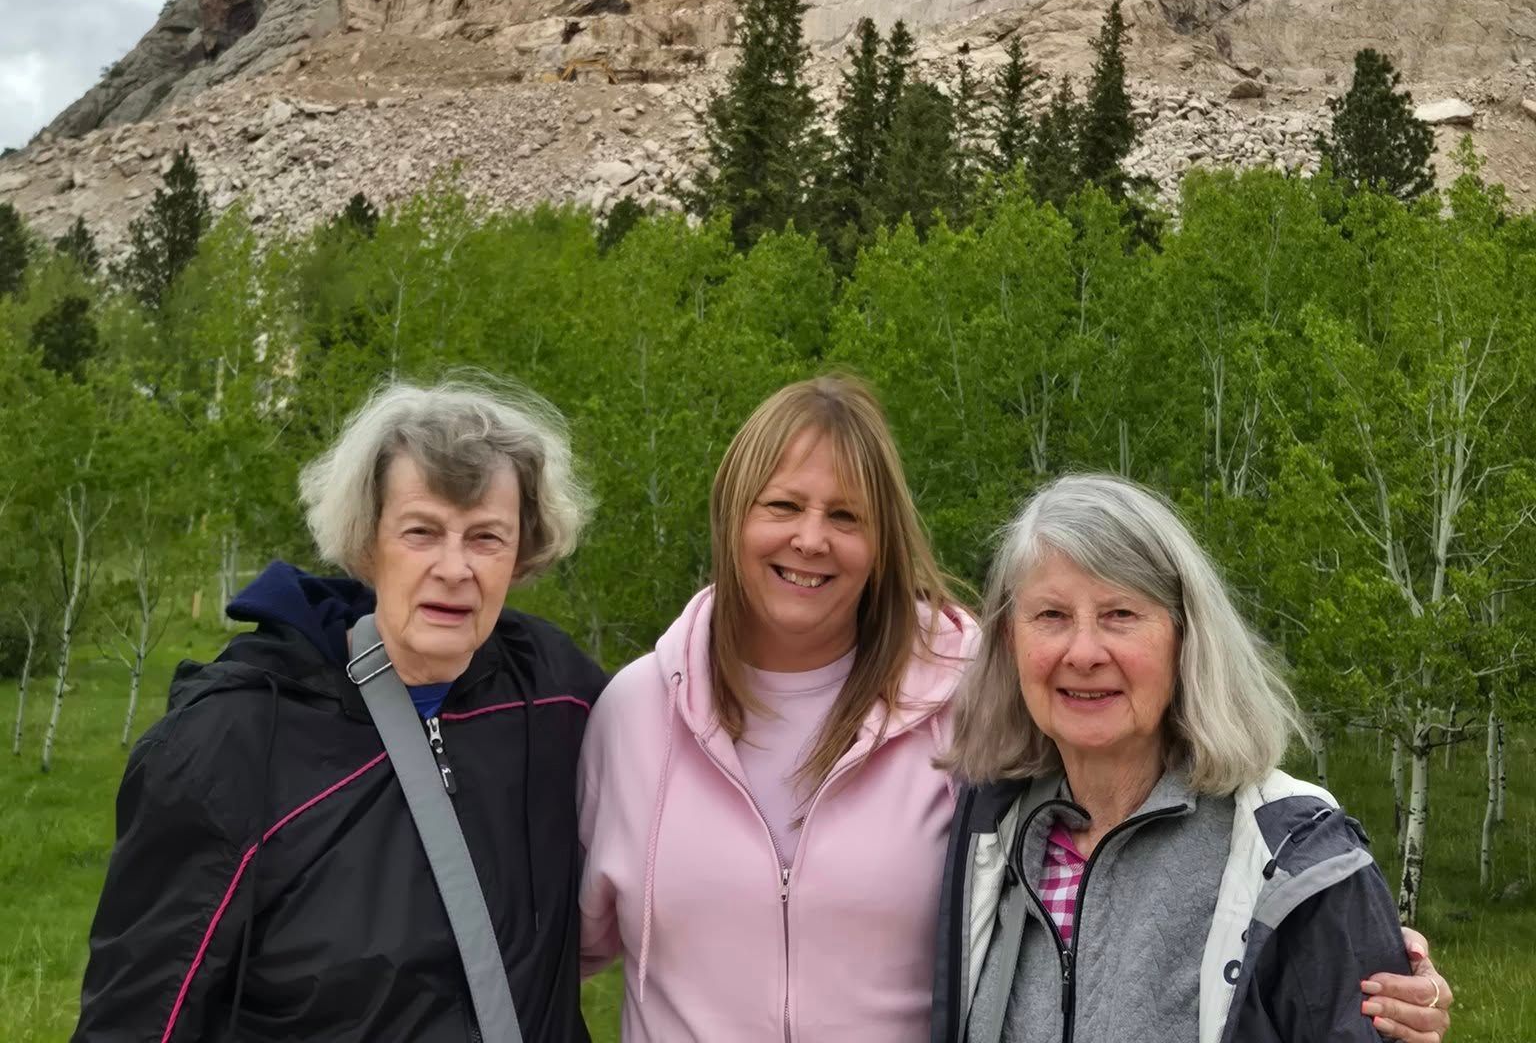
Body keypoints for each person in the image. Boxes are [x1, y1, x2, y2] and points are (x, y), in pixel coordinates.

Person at [73, 378, 605, 1043]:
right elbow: (142, 1013)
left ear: (521, 554)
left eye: (486, 538)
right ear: (367, 542)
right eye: (421, 531)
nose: (454, 567)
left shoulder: (557, 693)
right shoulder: (235, 740)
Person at [933, 473, 1453, 1043]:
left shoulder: (1295, 854)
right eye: (1051, 616)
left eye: (1120, 615)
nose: (1082, 652)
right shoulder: (989, 837)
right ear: (1010, 641)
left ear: (1186, 640)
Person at [577, 375, 977, 1042]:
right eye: (784, 506)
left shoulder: (969, 701)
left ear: (882, 546)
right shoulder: (633, 712)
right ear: (734, 515)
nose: (811, 539)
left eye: (846, 517)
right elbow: (551, 957)